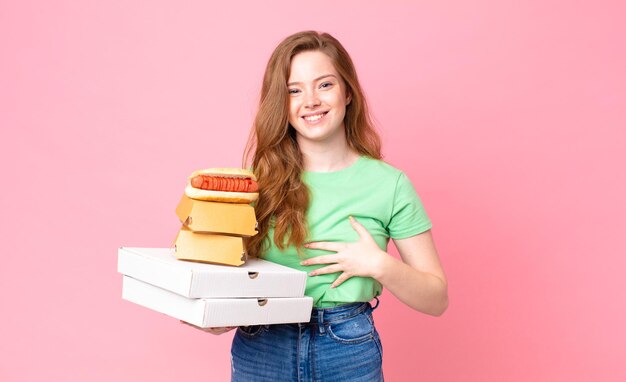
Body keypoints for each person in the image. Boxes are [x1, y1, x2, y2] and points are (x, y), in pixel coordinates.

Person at [186, 31, 448, 381]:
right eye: (294, 90)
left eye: (324, 85)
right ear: (282, 103)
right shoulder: (252, 186)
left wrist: (379, 264)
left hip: (347, 346)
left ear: (348, 92)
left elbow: (436, 299)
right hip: (263, 344)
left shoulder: (390, 184)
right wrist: (209, 312)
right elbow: (224, 276)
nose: (310, 100)